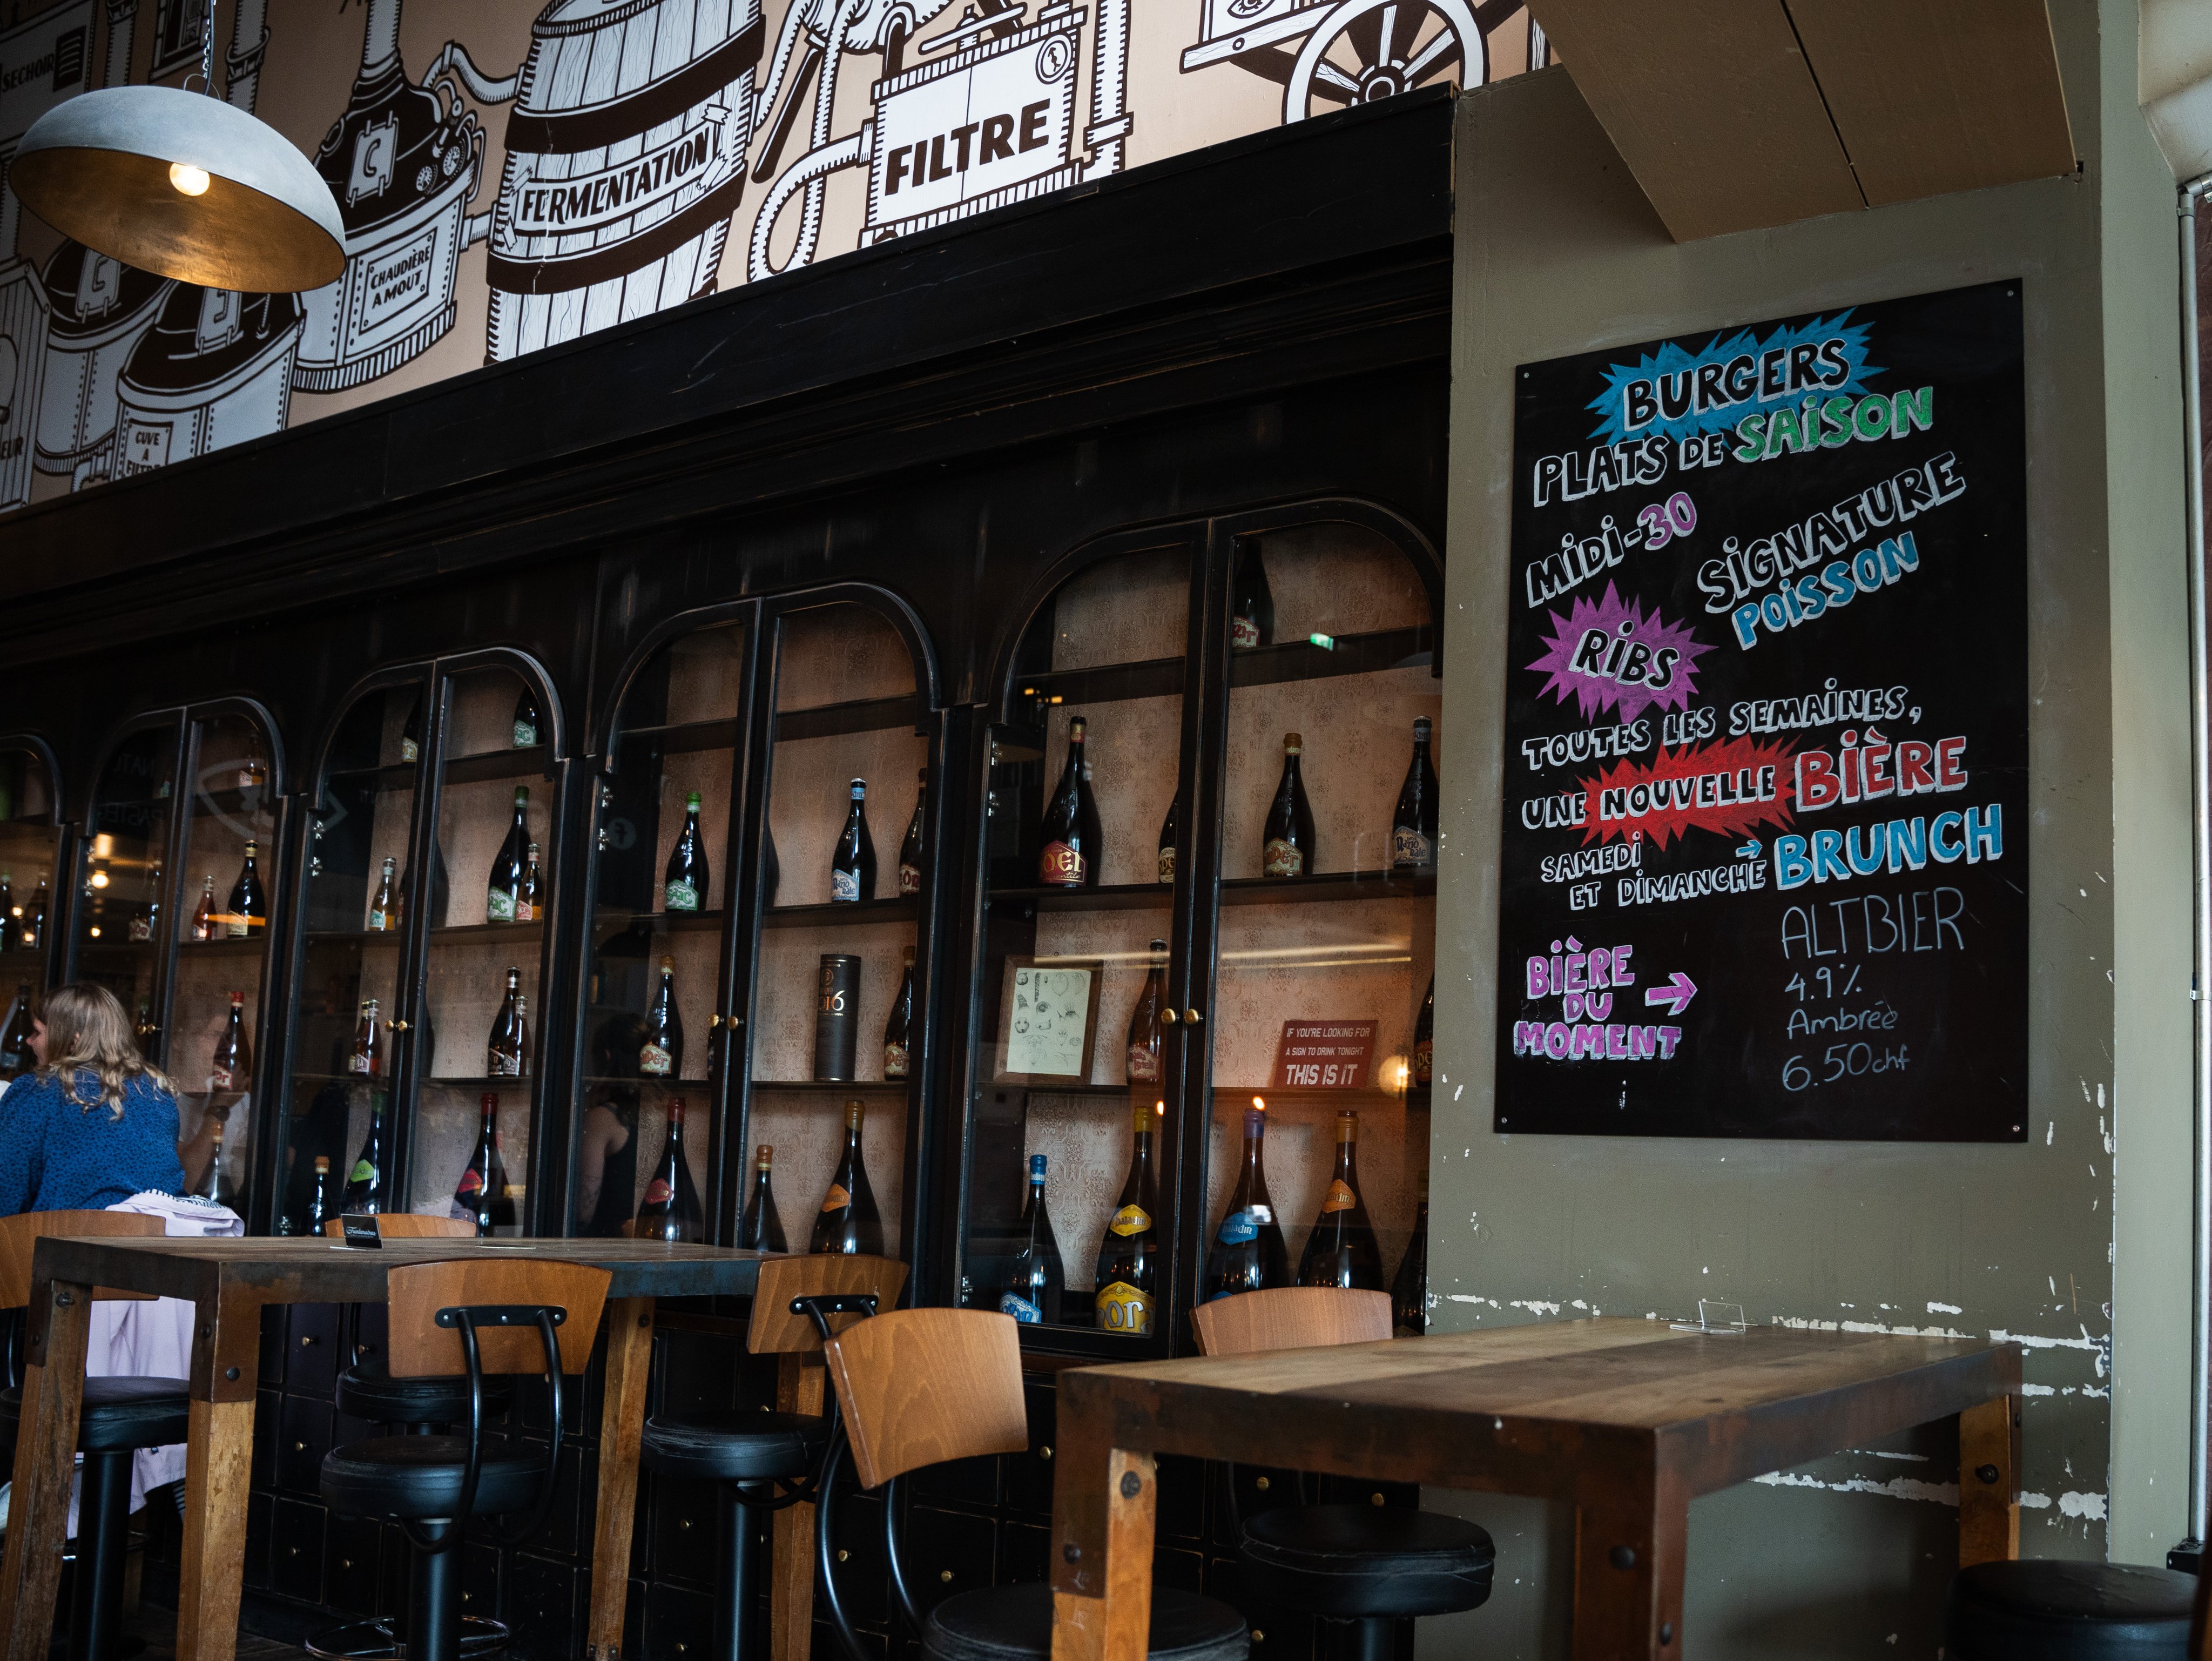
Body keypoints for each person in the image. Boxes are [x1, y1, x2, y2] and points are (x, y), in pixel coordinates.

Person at [0, 984, 185, 1215]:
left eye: (37, 1032)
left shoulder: (40, 1090)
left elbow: (7, 1190)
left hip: (63, 1234)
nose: (29, 1041)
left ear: (72, 1041)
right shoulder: (158, 1093)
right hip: (153, 1234)